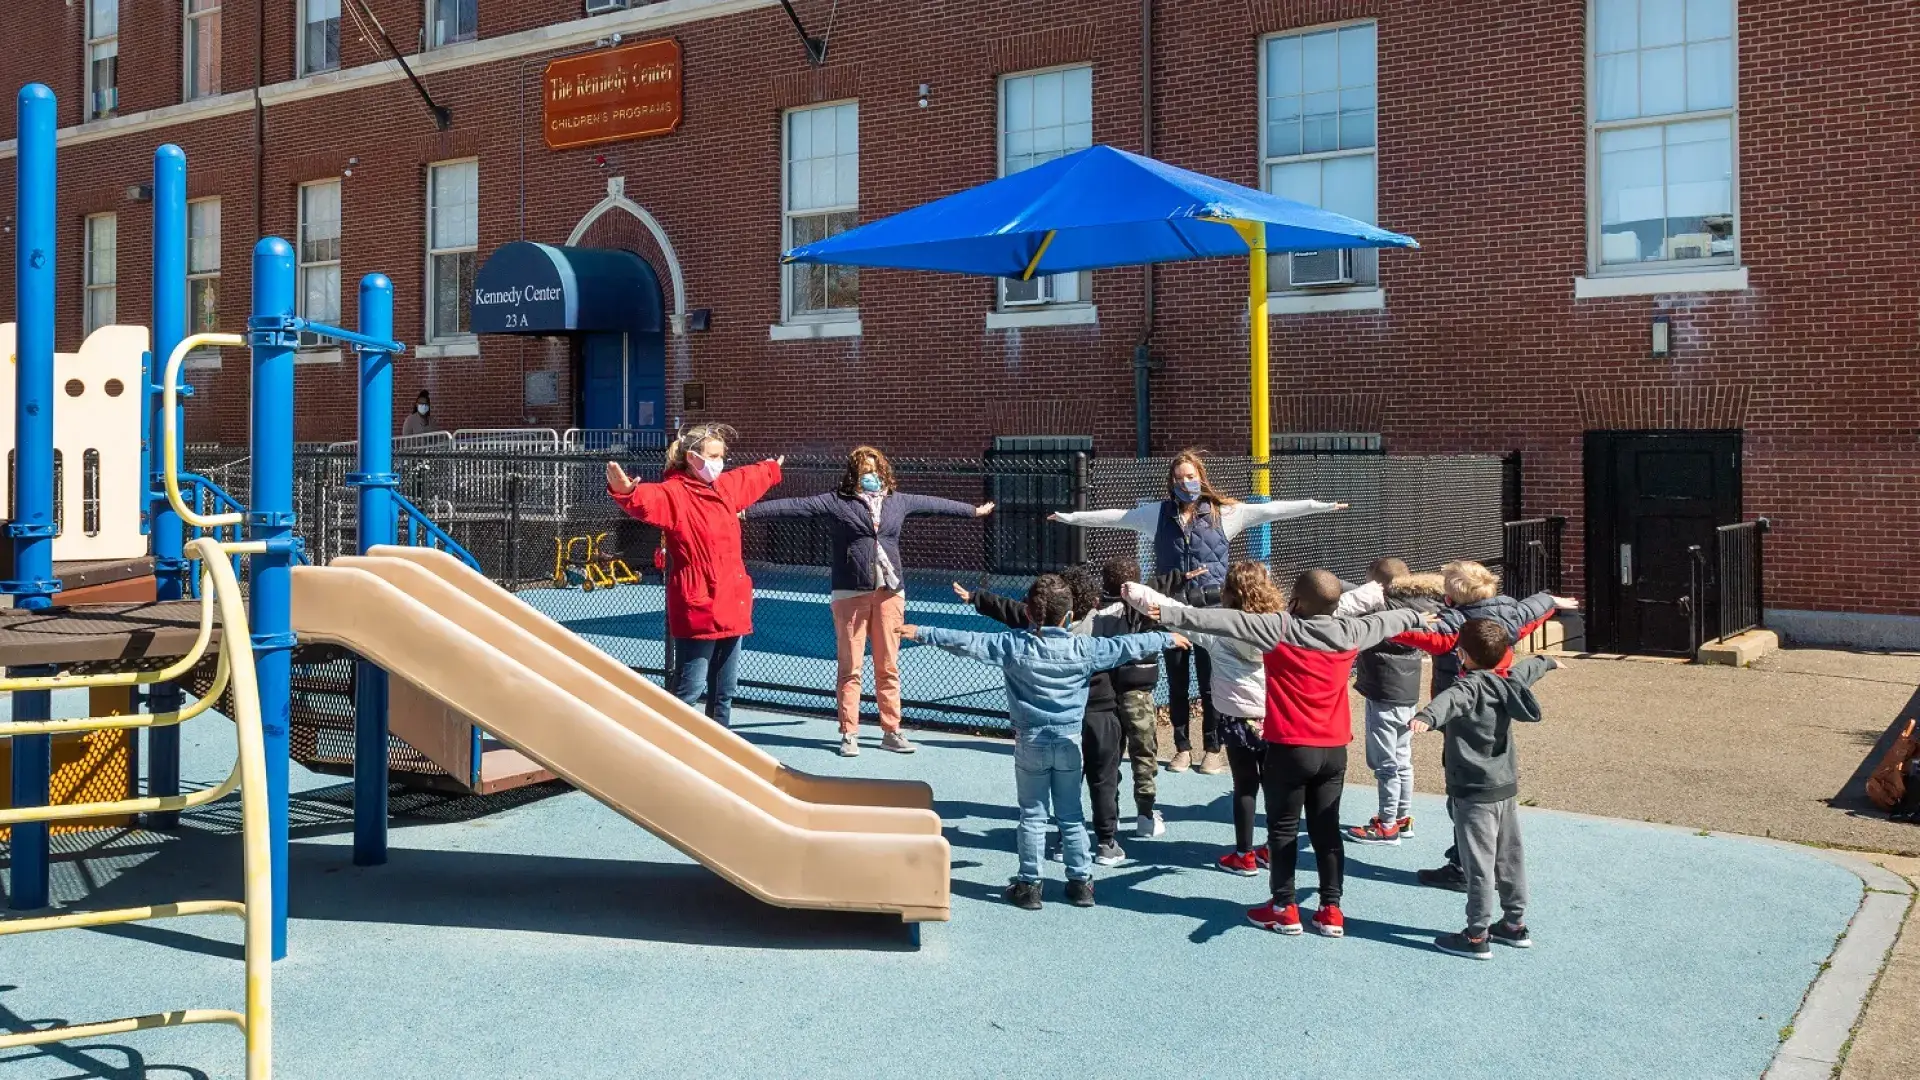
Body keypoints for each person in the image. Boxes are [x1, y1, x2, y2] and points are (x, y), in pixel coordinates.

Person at [1131, 569, 1430, 938]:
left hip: (1290, 747)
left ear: (1298, 601)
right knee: (1326, 832)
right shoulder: (1351, 631)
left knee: (1283, 829)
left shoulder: (1279, 628)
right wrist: (1417, 616)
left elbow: (1218, 619)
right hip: (1334, 750)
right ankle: (1330, 910)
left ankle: (1283, 908)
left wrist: (1168, 613)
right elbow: (1387, 620)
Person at [1050, 450, 1346, 774]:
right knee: (1177, 681)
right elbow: (1114, 516)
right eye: (1179, 478)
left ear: (1201, 477)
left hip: (1213, 608)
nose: (1185, 483)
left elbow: (1272, 510)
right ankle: (1181, 747)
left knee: (1210, 681)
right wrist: (1068, 518)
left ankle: (1212, 748)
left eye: (1190, 476)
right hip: (1172, 609)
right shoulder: (1157, 515)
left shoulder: (1224, 513)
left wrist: (1322, 506)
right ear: (1171, 482)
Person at [902, 575, 1184, 910]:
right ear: (1068, 617)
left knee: (1033, 815)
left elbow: (967, 641)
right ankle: (1080, 882)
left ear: (1030, 614)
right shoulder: (1084, 647)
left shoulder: (1015, 645)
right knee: (1071, 814)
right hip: (1069, 741)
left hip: (1031, 742)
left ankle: (1029, 884)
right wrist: (1166, 639)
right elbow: (1126, 647)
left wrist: (922, 632)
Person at [748, 446, 992, 757]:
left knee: (887, 666)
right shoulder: (837, 502)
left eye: (875, 469)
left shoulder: (897, 501)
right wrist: (746, 512)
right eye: (865, 470)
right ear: (854, 474)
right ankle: (849, 733)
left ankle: (892, 731)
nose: (871, 476)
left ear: (884, 472)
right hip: (850, 593)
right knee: (851, 667)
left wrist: (973, 511)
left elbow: (934, 504)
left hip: (890, 592)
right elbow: (796, 506)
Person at [1389, 560, 1577, 891]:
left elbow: (1419, 636)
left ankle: (1465, 865)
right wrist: (1552, 601)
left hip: (1462, 711)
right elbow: (1533, 609)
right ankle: (1473, 858)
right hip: (1498, 705)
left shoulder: (1454, 625)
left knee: (1462, 790)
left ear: (1453, 597)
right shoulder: (1510, 613)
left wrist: (1376, 624)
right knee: (1493, 778)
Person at [953, 565, 1134, 867]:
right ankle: (1105, 842)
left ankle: (1063, 841)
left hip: (1063, 719)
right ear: (1090, 601)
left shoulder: (1039, 628)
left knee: (1068, 782)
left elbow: (1012, 611)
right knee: (1105, 778)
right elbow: (1128, 644)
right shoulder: (1103, 622)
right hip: (1101, 709)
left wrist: (976, 598)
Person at [605, 423, 783, 727]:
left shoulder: (724, 488)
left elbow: (747, 478)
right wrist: (627, 492)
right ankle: (667, 748)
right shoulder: (676, 493)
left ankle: (719, 752)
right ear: (692, 457)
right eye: (713, 455)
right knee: (690, 688)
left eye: (722, 455)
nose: (720, 461)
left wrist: (769, 468)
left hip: (731, 600)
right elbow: (649, 500)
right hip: (699, 604)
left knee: (724, 692)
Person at [1411, 619, 1563, 960]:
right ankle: (1513, 924)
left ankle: (1476, 935)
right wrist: (1547, 661)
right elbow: (1528, 670)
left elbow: (1448, 701)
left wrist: (1426, 717)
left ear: (1462, 654)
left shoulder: (1469, 687)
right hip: (1504, 787)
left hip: (1473, 790)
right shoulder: (1507, 682)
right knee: (1510, 857)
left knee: (1478, 865)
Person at [1122, 561, 1274, 875]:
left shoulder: (1219, 629)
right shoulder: (1283, 626)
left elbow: (1177, 610)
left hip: (1236, 718)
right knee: (1275, 786)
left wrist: (1136, 592)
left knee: (1245, 786)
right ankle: (1272, 849)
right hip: (1274, 718)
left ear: (1229, 592)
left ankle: (1244, 855)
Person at [1341, 560, 1445, 845]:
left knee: (1385, 762)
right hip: (1406, 690)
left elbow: (1350, 599)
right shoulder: (1421, 604)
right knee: (1402, 757)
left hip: (1384, 691)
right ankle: (1402, 816)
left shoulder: (1381, 609)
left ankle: (1387, 825)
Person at [1099, 557, 1170, 839]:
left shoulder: (1098, 610)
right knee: (1144, 754)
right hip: (1138, 693)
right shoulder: (1148, 609)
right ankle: (1145, 815)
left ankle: (1109, 816)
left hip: (1106, 693)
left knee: (1109, 757)